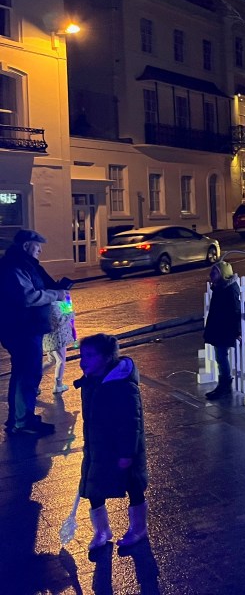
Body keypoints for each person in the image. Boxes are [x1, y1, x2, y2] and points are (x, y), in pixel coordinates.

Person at [75, 332, 149, 550]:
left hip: (122, 450)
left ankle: (138, 528)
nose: (83, 361)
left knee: (133, 486)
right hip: (98, 448)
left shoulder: (122, 385)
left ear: (107, 358)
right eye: (82, 355)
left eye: (89, 356)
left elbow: (131, 423)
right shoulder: (91, 381)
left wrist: (127, 454)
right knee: (92, 487)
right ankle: (101, 531)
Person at [0, 229, 68, 436]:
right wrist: (56, 294)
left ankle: (20, 418)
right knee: (26, 375)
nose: (40, 250)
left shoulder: (24, 265)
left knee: (24, 373)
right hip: (22, 329)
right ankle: (22, 422)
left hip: (25, 328)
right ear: (25, 246)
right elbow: (28, 297)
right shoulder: (14, 266)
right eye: (37, 246)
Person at [203, 260, 241, 400]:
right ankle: (223, 384)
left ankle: (225, 385)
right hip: (219, 327)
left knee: (221, 356)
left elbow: (235, 310)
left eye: (215, 272)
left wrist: (236, 330)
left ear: (222, 274)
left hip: (224, 328)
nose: (211, 274)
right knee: (220, 356)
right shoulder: (219, 287)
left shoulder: (229, 289)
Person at [43, 294, 76, 394]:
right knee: (60, 361)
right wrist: (70, 313)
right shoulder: (53, 304)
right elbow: (60, 320)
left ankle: (33, 380)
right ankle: (58, 385)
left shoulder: (53, 301)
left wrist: (68, 306)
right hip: (57, 337)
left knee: (51, 360)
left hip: (50, 337)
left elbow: (67, 310)